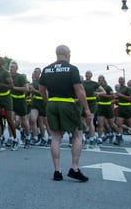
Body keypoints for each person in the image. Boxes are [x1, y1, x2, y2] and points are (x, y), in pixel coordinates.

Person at [38, 45, 91, 182]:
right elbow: (79, 89)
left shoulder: (47, 69)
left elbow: (41, 89)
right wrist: (86, 108)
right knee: (77, 134)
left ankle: (57, 171)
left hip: (52, 103)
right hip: (68, 103)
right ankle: (74, 168)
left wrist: (47, 101)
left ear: (57, 54)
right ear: (67, 54)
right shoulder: (72, 69)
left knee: (55, 137)